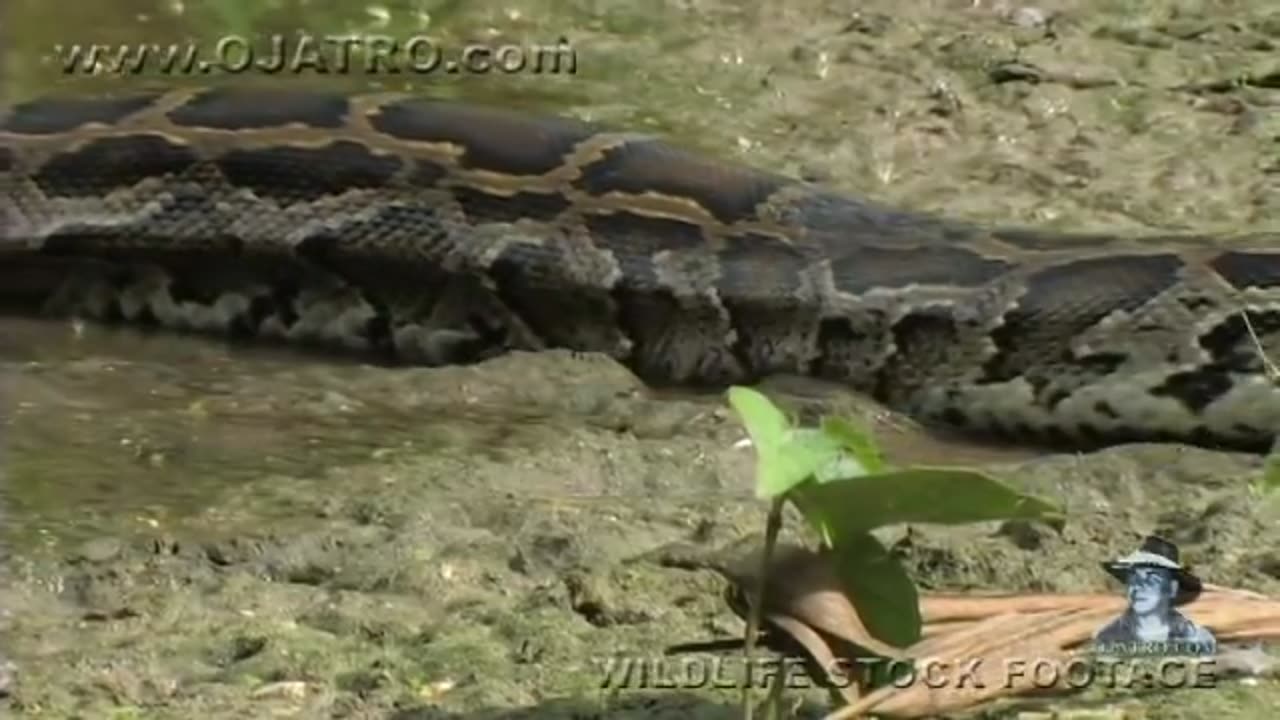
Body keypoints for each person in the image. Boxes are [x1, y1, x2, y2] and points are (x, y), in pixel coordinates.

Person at [1092, 535, 1216, 655]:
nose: (1139, 586)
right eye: (1134, 577)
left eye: (1151, 579)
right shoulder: (1108, 639)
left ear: (1172, 588)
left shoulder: (1196, 641)